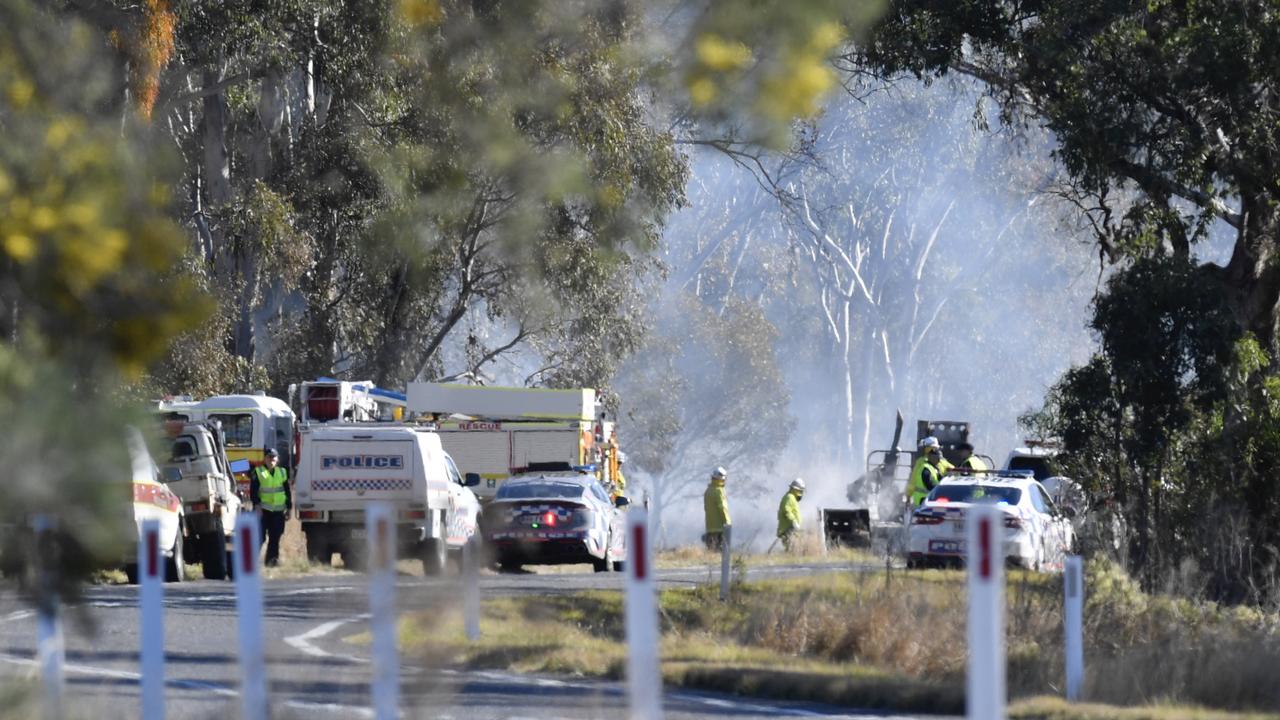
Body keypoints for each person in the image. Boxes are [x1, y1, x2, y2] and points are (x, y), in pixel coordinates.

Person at [252, 447, 291, 567]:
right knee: (260, 538)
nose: (271, 460)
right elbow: (253, 490)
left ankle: (272, 562)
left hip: (278, 511)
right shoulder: (260, 471)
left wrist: (289, 507)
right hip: (263, 511)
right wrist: (257, 505)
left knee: (275, 538)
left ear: (277, 459)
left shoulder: (282, 472)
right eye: (269, 457)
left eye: (274, 457)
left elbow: (287, 490)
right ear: (265, 458)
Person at [908, 437, 944, 506]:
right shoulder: (941, 462)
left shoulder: (921, 462)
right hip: (927, 499)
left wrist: (908, 494)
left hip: (928, 499)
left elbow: (913, 480)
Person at [703, 466, 730, 550]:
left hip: (709, 527)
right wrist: (728, 523)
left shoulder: (708, 490)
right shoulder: (719, 491)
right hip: (720, 528)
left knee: (711, 552)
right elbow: (723, 508)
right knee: (721, 553)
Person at [776, 478, 805, 551]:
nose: (801, 493)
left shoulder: (791, 498)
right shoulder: (790, 497)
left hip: (792, 530)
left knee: (792, 550)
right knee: (791, 550)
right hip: (788, 530)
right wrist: (794, 521)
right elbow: (786, 511)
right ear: (795, 489)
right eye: (800, 491)